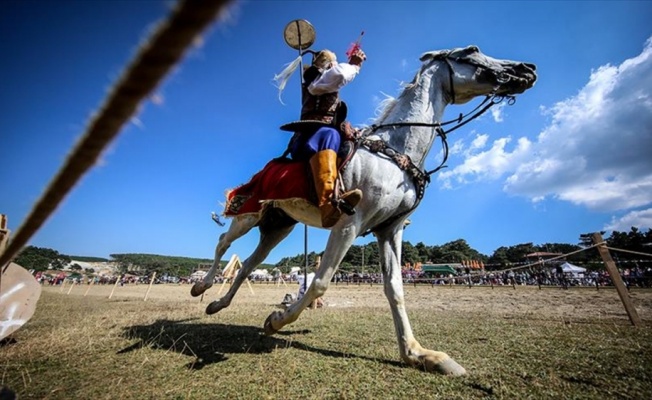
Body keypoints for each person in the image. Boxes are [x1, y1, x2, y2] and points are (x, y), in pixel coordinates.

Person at [277, 45, 367, 228]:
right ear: (325, 66)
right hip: (311, 138)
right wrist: (354, 65)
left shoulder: (322, 79)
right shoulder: (315, 80)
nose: (335, 66)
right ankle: (327, 205)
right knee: (329, 134)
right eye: (332, 64)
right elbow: (340, 75)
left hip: (319, 135)